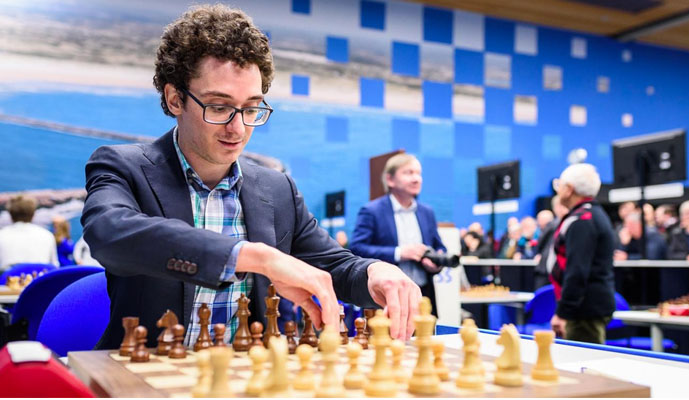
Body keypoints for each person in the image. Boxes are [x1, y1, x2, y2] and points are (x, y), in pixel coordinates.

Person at [81, 5, 420, 350]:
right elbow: (110, 234)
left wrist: (376, 273)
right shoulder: (123, 166)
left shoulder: (276, 189)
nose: (238, 128)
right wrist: (256, 257)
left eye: (252, 108)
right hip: (152, 374)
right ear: (175, 99)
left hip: (247, 375)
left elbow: (335, 265)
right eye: (219, 107)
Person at [349, 153, 445, 316]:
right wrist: (399, 253)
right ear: (390, 180)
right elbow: (357, 249)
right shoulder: (372, 211)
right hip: (387, 297)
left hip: (423, 296)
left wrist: (437, 260)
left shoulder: (426, 212)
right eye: (408, 173)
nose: (416, 179)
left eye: (418, 173)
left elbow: (439, 246)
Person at [548, 164, 615, 344]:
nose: (558, 189)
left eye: (560, 185)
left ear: (569, 189)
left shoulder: (582, 220)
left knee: (582, 367)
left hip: (584, 311)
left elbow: (577, 270)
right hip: (584, 307)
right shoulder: (588, 215)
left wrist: (563, 313)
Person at [0, 195, 58, 271]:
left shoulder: (2, 235)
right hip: (40, 281)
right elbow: (54, 266)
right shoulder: (47, 235)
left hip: (6, 281)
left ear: (10, 214)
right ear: (33, 214)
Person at [533, 196, 568, 289]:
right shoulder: (561, 223)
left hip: (547, 268)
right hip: (554, 268)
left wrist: (539, 253)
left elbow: (540, 242)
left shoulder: (554, 224)